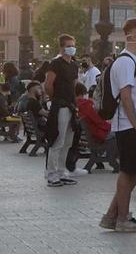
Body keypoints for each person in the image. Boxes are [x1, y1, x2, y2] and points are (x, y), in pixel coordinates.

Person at [99, 18, 136, 233]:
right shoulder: (124, 62)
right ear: (131, 34)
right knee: (129, 170)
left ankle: (113, 214)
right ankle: (121, 218)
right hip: (129, 125)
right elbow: (126, 96)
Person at [44, 34, 79, 187]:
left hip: (71, 106)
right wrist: (56, 99)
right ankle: (51, 174)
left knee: (68, 141)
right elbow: (48, 85)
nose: (71, 48)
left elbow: (74, 85)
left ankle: (61, 171)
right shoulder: (55, 64)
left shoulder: (74, 65)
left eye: (73, 45)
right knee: (58, 140)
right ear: (62, 47)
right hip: (61, 106)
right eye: (68, 45)